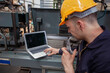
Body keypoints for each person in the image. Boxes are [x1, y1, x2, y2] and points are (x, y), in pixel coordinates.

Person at [44, 0, 110, 73]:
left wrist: (68, 68)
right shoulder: (88, 41)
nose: (69, 31)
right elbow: (79, 50)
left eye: (68, 27)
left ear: (80, 25)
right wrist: (58, 51)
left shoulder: (105, 59)